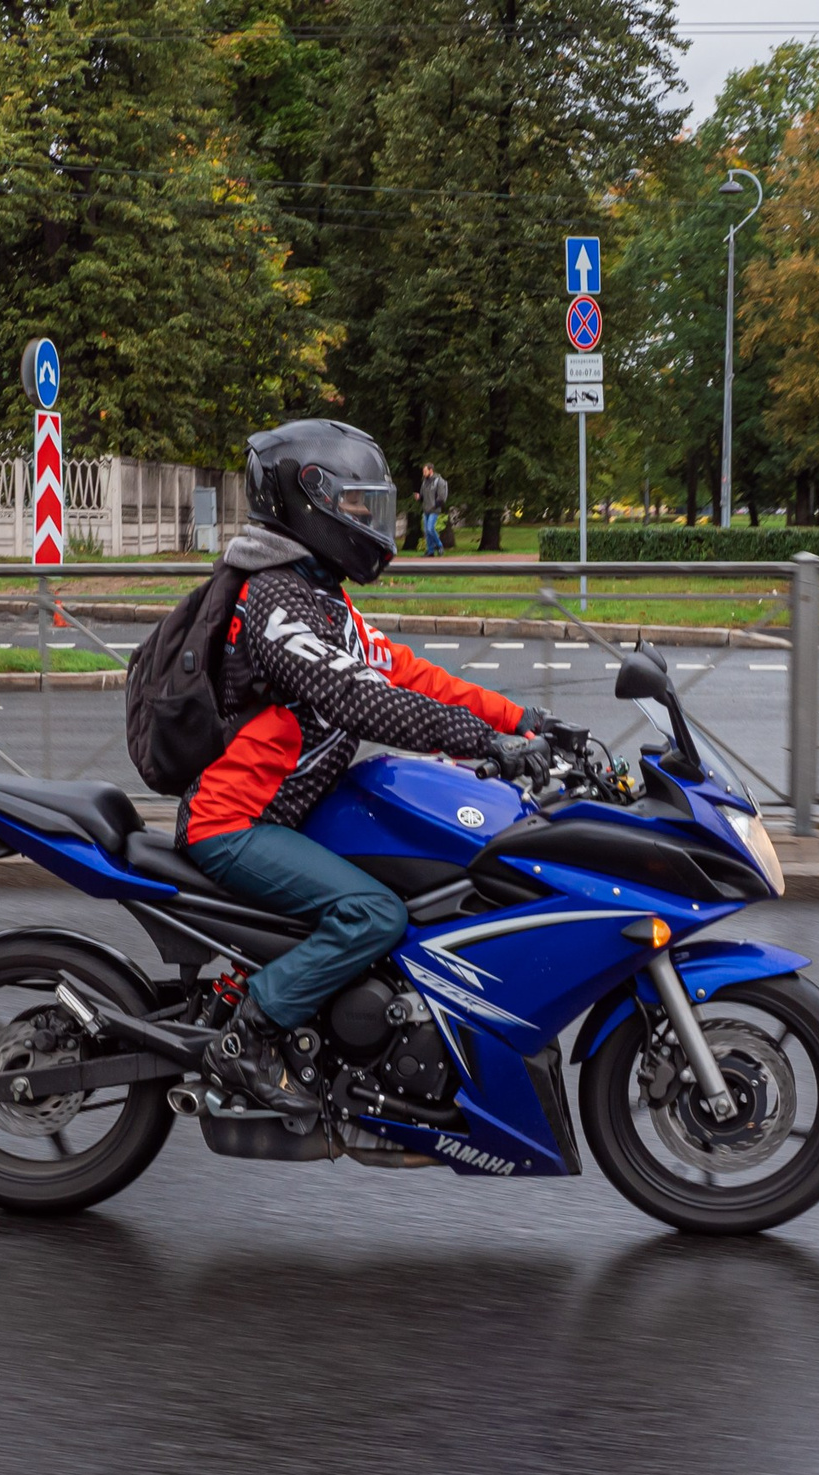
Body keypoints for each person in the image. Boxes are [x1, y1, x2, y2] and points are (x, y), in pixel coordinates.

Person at [181, 420, 555, 1120]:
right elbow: (361, 699)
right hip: (235, 823)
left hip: (289, 808)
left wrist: (520, 720)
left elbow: (406, 673)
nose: (365, 518)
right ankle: (249, 1037)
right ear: (307, 500)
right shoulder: (275, 602)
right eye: (354, 503)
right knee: (373, 913)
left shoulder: (318, 595)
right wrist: (485, 742)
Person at [418, 463, 449, 556]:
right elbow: (422, 495)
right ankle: (430, 551)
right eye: (423, 471)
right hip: (426, 509)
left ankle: (439, 545)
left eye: (425, 471)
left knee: (430, 528)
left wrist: (436, 505)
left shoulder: (439, 481)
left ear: (431, 470)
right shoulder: (424, 482)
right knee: (426, 531)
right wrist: (419, 497)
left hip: (434, 509)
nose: (423, 473)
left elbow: (442, 496)